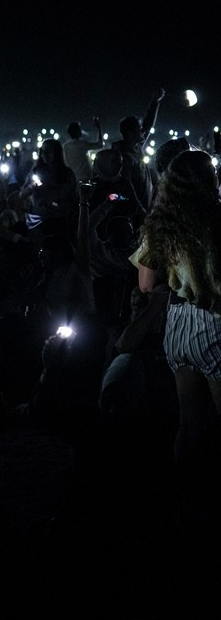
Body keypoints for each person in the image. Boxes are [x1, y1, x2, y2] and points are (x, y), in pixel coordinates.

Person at [129, 149, 221, 502]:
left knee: (189, 423)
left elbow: (146, 285)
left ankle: (183, 496)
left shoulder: (160, 226)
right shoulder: (215, 220)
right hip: (214, 324)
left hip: (179, 325)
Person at [63, 117, 105, 185]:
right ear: (77, 131)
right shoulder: (82, 144)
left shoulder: (65, 146)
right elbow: (100, 145)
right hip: (85, 178)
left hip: (72, 179)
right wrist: (99, 128)